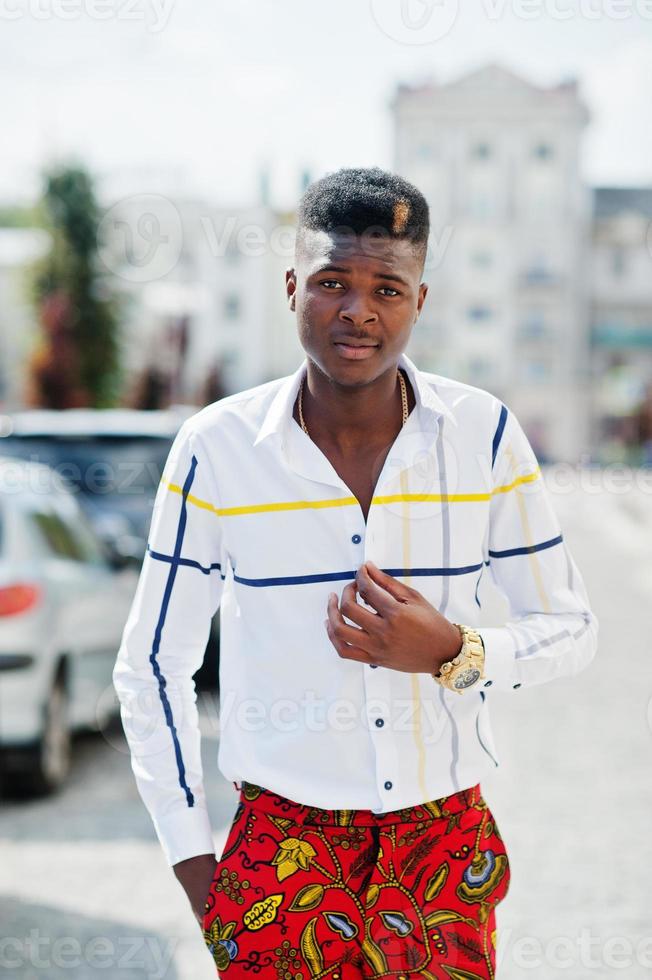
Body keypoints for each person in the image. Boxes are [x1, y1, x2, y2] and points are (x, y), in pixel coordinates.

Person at [112, 167, 598, 978]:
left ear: (421, 300)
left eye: (388, 288)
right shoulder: (215, 448)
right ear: (294, 285)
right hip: (280, 854)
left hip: (441, 848)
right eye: (333, 282)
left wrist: (455, 650)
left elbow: (572, 628)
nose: (358, 310)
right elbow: (152, 665)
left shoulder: (482, 435)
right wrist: (198, 869)